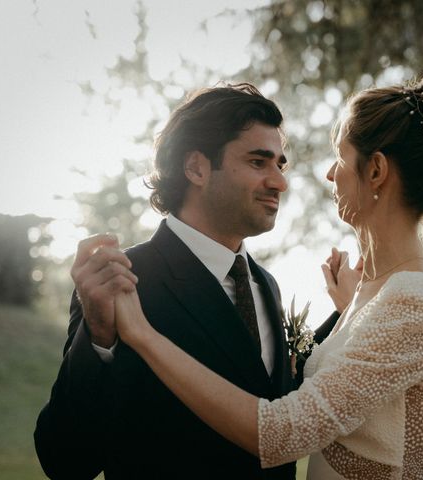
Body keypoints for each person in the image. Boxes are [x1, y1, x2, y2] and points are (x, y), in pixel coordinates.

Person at [93, 67, 423, 479]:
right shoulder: (377, 295)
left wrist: (141, 335)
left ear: (375, 171)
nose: (329, 174)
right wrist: (351, 314)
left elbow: (283, 430)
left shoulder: (415, 300)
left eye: (341, 157)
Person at [34, 83, 346, 479]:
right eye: (257, 162)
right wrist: (98, 339)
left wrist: (345, 313)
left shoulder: (266, 285)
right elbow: (65, 461)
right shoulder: (124, 282)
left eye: (279, 165)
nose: (279, 182)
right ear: (196, 167)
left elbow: (271, 406)